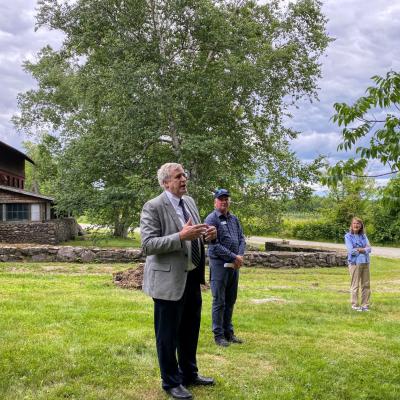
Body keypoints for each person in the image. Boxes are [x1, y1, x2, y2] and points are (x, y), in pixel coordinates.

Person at [140, 163, 217, 400]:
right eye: (178, 176)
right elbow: (148, 245)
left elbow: (195, 235)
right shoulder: (153, 207)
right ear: (166, 183)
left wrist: (208, 236)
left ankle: (189, 374)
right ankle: (171, 382)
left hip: (191, 277)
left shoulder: (190, 202)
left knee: (190, 330)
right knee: (167, 335)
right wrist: (180, 236)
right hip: (168, 282)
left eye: (184, 175)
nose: (184, 179)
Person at [204, 189, 246, 347]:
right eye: (221, 199)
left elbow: (242, 238)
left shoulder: (234, 219)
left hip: (234, 266)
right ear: (215, 202)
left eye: (226, 199)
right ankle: (218, 335)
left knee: (230, 300)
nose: (224, 202)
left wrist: (239, 256)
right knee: (219, 301)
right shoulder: (211, 219)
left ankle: (229, 333)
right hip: (219, 265)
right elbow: (213, 246)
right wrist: (234, 257)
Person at [344, 217, 372, 312]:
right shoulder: (348, 236)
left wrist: (360, 249)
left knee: (366, 285)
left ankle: (365, 305)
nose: (356, 225)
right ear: (351, 225)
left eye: (358, 224)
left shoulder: (364, 236)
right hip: (354, 263)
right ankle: (355, 305)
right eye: (354, 223)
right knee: (355, 285)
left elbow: (369, 249)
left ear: (361, 226)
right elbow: (351, 251)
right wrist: (363, 249)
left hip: (365, 262)